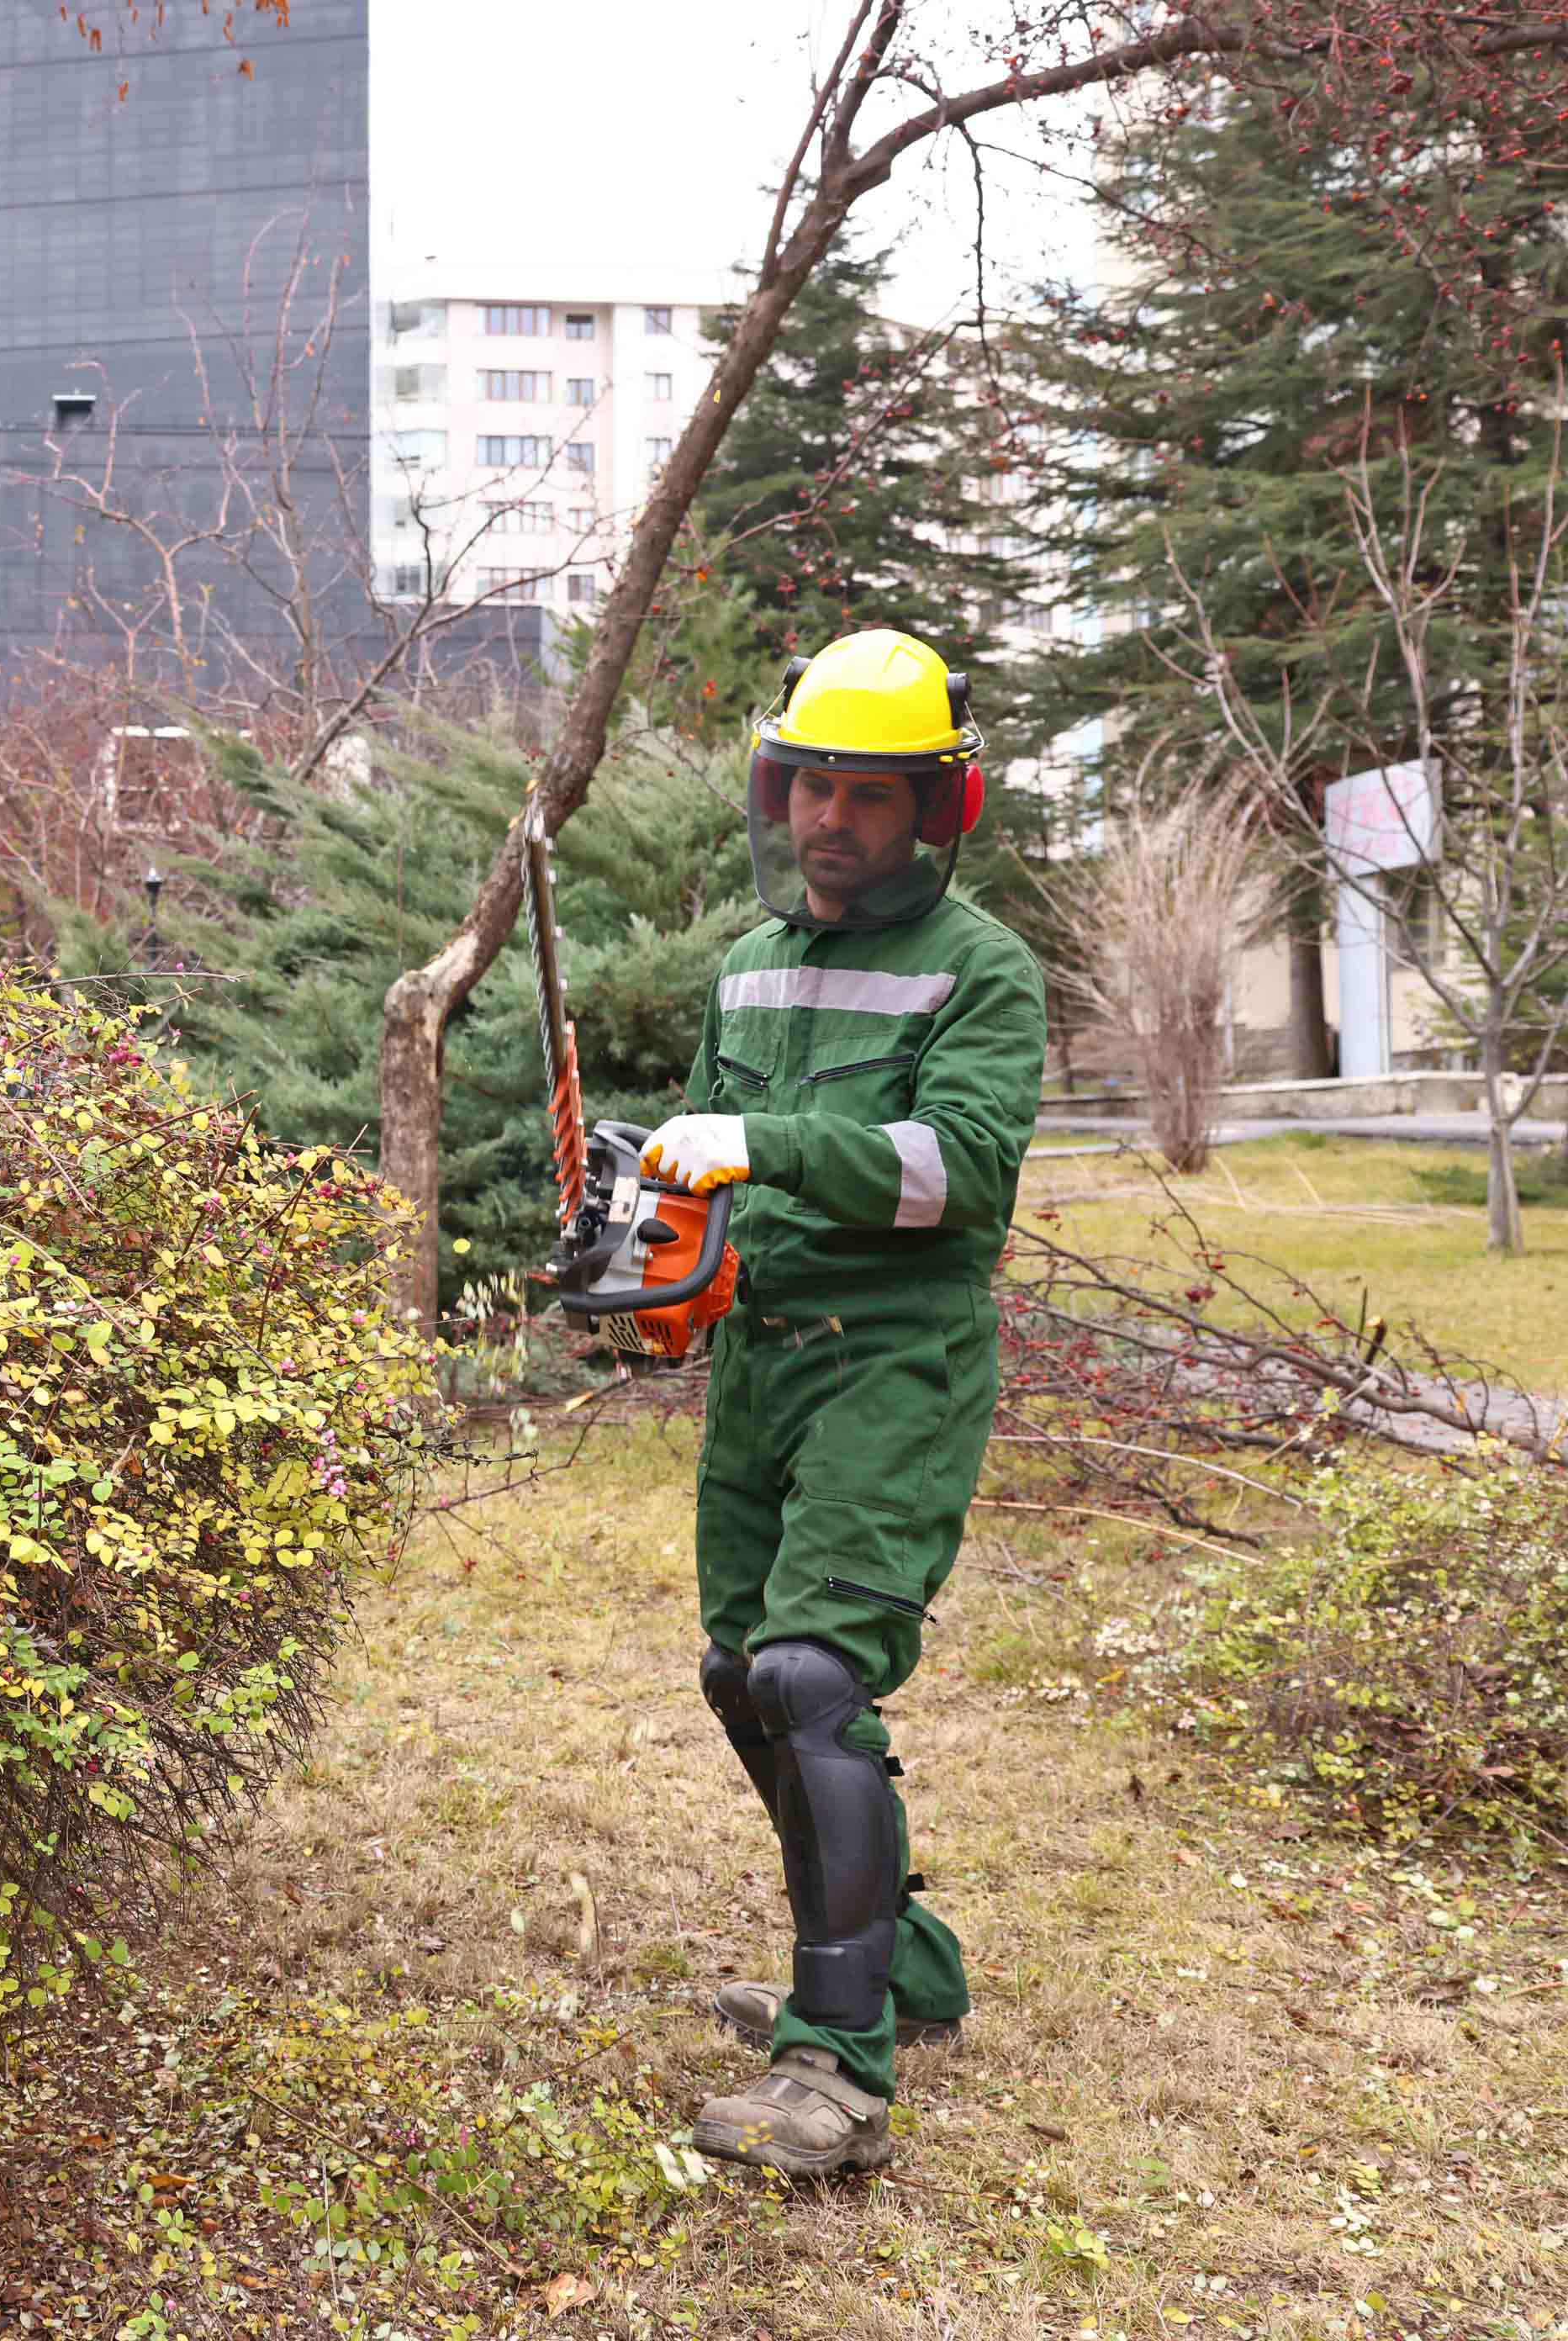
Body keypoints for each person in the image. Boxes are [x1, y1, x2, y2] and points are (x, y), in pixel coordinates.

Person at [638, 626, 1047, 2177]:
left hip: (900, 1353)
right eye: (813, 782)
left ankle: (840, 2068)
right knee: (745, 1670)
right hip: (763, 1360)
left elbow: (963, 1173)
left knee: (816, 1671)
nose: (832, 818)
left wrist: (767, 1146)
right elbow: (704, 1166)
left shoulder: (986, 970)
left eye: (872, 795)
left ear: (939, 810)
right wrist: (654, 1264)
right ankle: (908, 1963)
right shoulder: (748, 966)